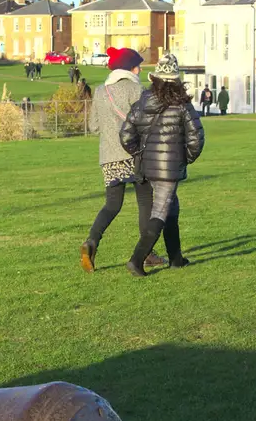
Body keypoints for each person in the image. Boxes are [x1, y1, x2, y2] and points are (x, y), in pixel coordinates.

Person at [120, 56, 204, 275]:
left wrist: (141, 153)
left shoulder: (142, 102)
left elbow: (126, 136)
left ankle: (176, 259)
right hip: (169, 170)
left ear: (155, 79)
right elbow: (196, 139)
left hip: (146, 166)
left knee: (171, 211)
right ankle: (136, 260)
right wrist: (183, 158)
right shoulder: (183, 105)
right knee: (160, 212)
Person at [82, 47, 162, 272]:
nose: (140, 69)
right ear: (131, 68)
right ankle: (146, 253)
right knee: (145, 201)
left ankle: (92, 241)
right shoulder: (136, 89)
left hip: (108, 157)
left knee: (112, 204)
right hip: (135, 155)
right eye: (138, 65)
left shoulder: (100, 91)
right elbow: (148, 122)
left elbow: (94, 126)